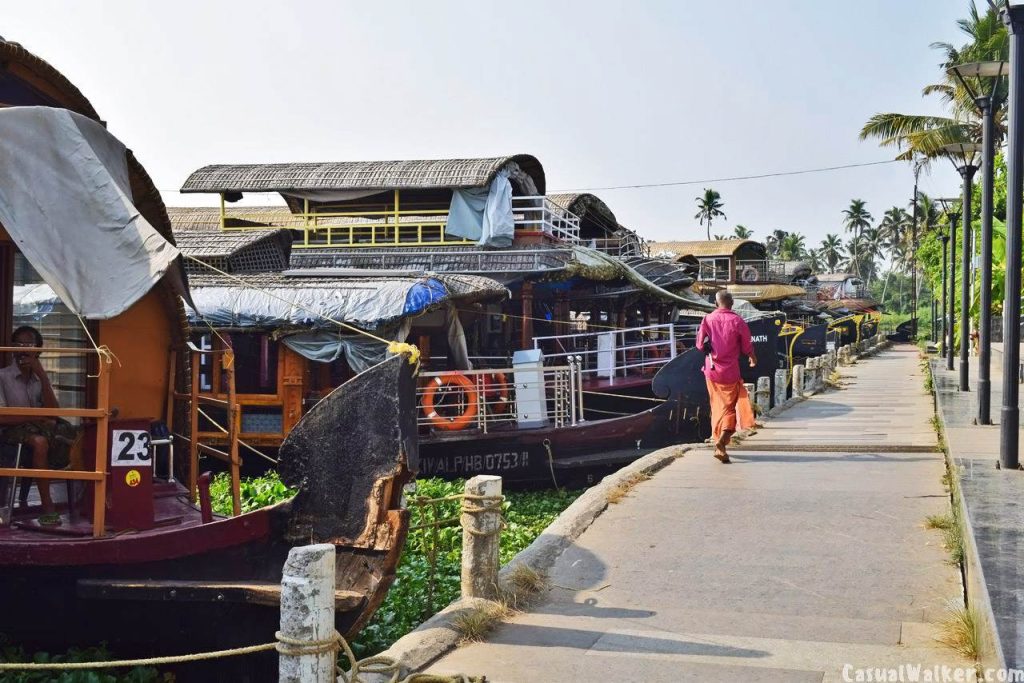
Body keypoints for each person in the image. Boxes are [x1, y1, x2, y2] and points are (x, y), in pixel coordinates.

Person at [0, 325, 65, 521]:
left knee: (74, 437)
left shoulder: (39, 378)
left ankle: (86, 499)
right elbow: (2, 417)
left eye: (29, 344)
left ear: (38, 350)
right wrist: (37, 416)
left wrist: (42, 375)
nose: (24, 349)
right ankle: (48, 509)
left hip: (36, 429)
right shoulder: (2, 376)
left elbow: (53, 413)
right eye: (19, 344)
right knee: (39, 442)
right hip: (8, 431)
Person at [695, 291, 757, 463]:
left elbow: (700, 345)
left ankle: (719, 442)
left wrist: (708, 345)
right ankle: (721, 443)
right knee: (729, 409)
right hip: (730, 372)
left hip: (712, 371)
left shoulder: (707, 319)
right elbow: (747, 346)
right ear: (732, 304)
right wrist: (752, 356)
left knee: (717, 407)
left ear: (716, 303)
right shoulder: (738, 321)